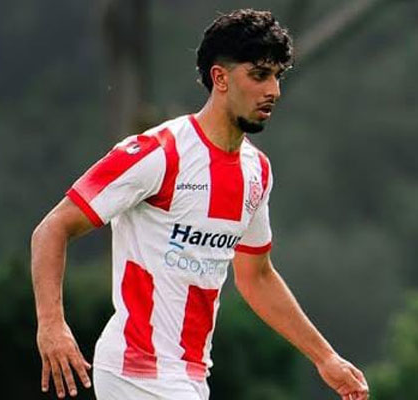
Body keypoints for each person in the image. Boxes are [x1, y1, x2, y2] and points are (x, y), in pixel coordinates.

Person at [31, 8, 369, 400]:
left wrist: (324, 357)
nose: (273, 90)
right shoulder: (158, 153)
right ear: (220, 78)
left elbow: (256, 276)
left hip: (190, 377)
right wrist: (52, 327)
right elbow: (52, 228)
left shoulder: (256, 171)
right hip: (135, 370)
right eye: (259, 75)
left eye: (277, 76)